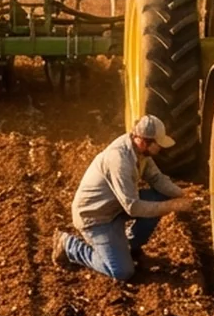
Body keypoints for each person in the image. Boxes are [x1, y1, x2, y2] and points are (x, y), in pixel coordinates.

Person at [54, 115, 196, 282]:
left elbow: (156, 178)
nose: (161, 149)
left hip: (116, 206)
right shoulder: (120, 160)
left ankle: (129, 247)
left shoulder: (141, 153)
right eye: (158, 145)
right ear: (144, 142)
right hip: (96, 217)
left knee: (159, 197)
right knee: (122, 271)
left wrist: (182, 194)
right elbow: (133, 207)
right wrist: (173, 206)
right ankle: (69, 245)